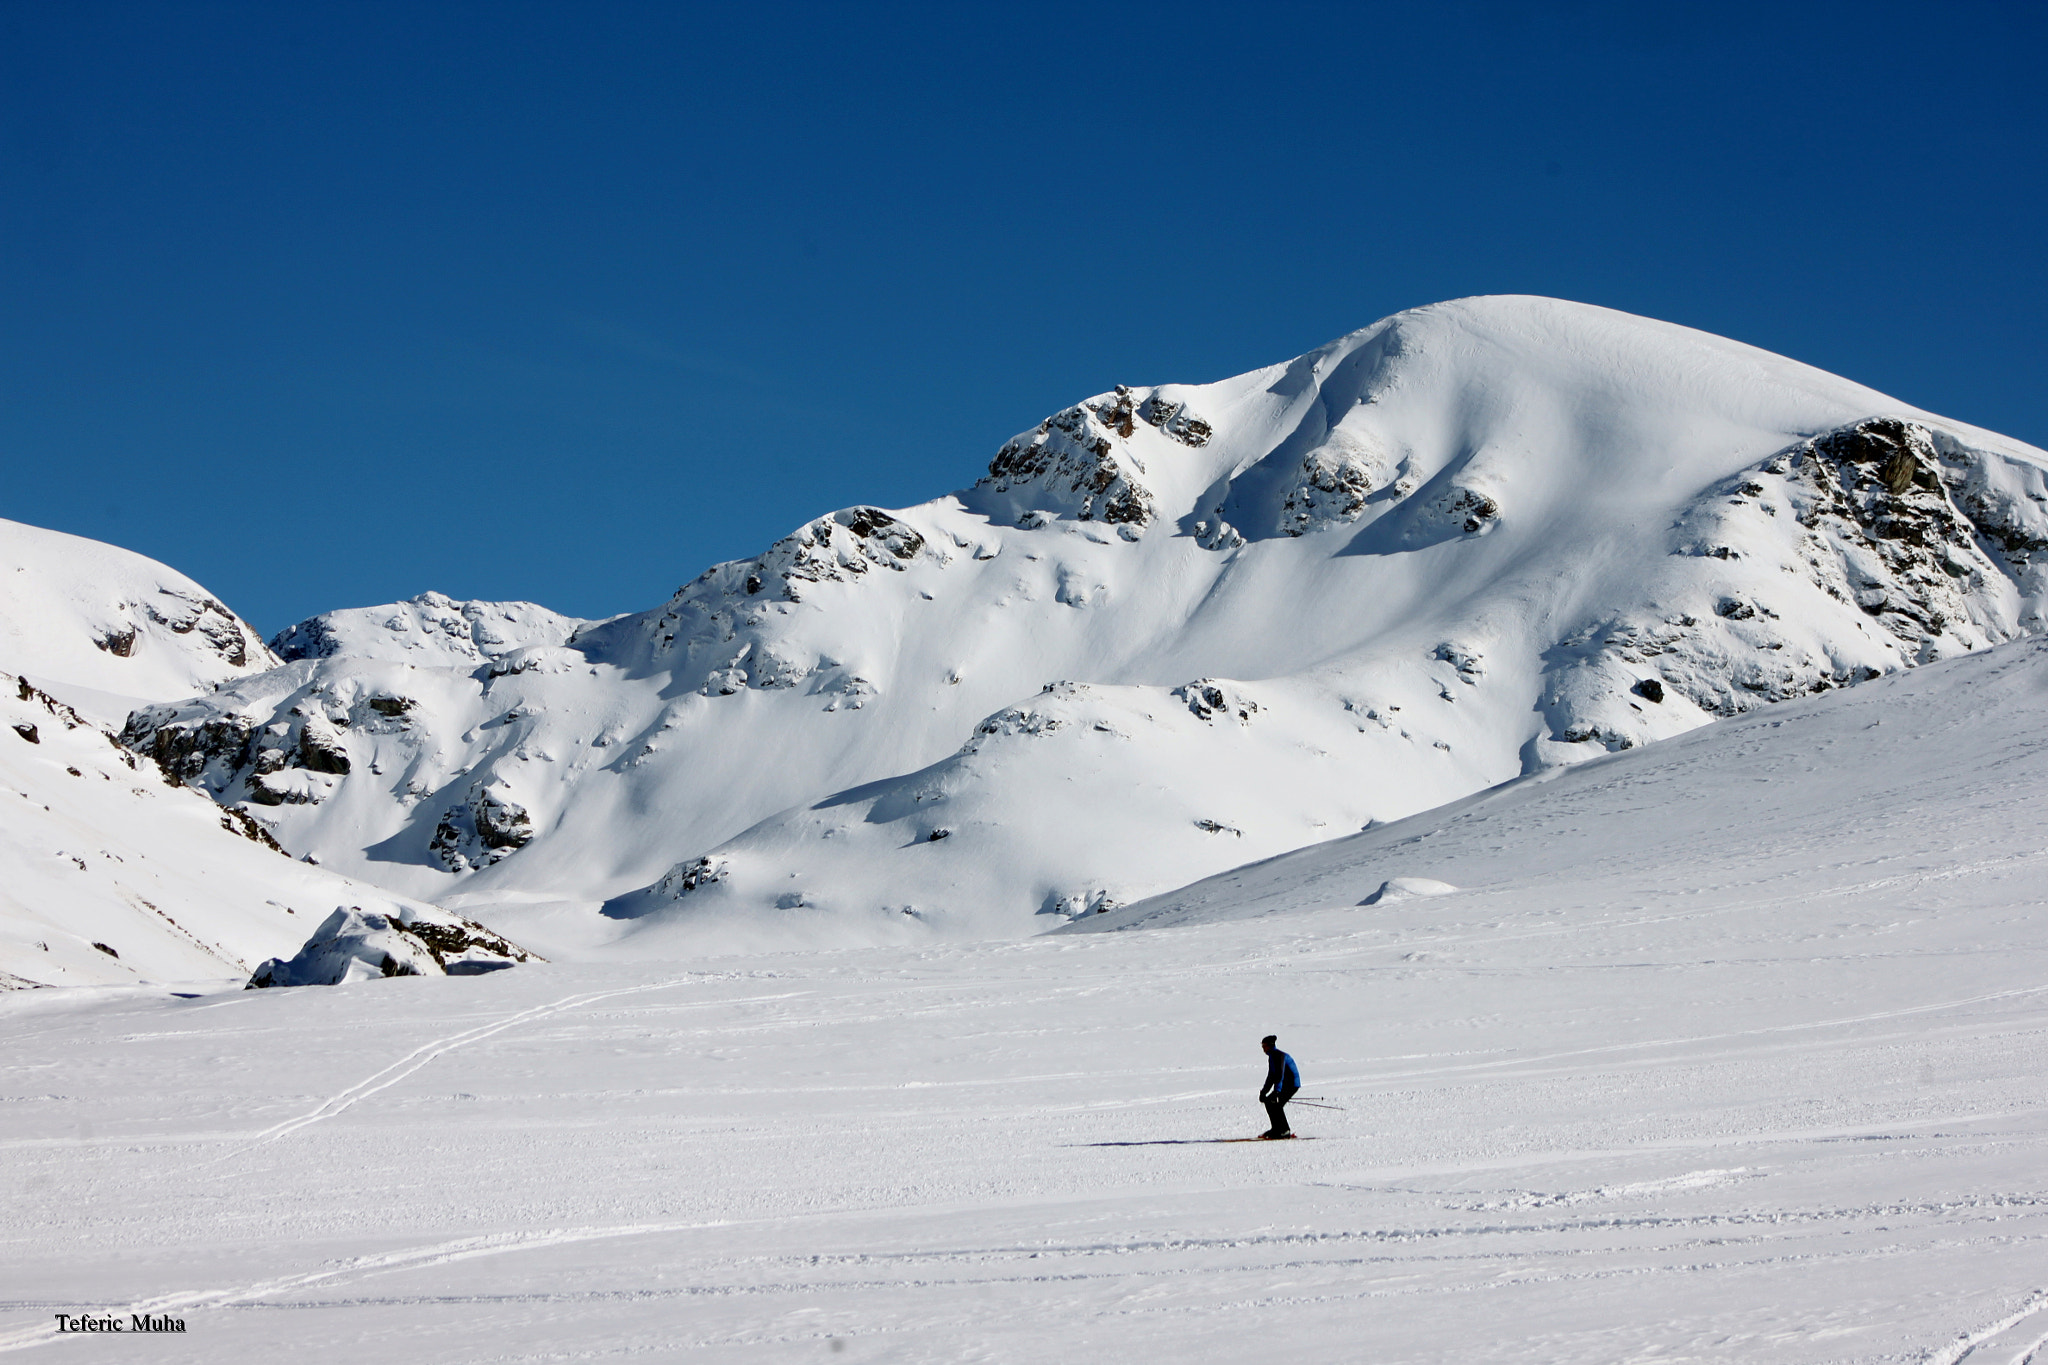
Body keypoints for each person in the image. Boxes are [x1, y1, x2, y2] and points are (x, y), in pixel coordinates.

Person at [1258, 1034, 1300, 1138]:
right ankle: (1276, 1129)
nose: (1263, 1048)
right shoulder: (1272, 1057)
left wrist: (1276, 1091)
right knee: (1269, 1102)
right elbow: (1271, 1076)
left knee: (1276, 1104)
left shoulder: (1278, 1055)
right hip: (1284, 1084)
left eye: (1264, 1046)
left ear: (1269, 1045)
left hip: (1292, 1084)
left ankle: (1284, 1130)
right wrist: (1264, 1091)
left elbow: (1279, 1075)